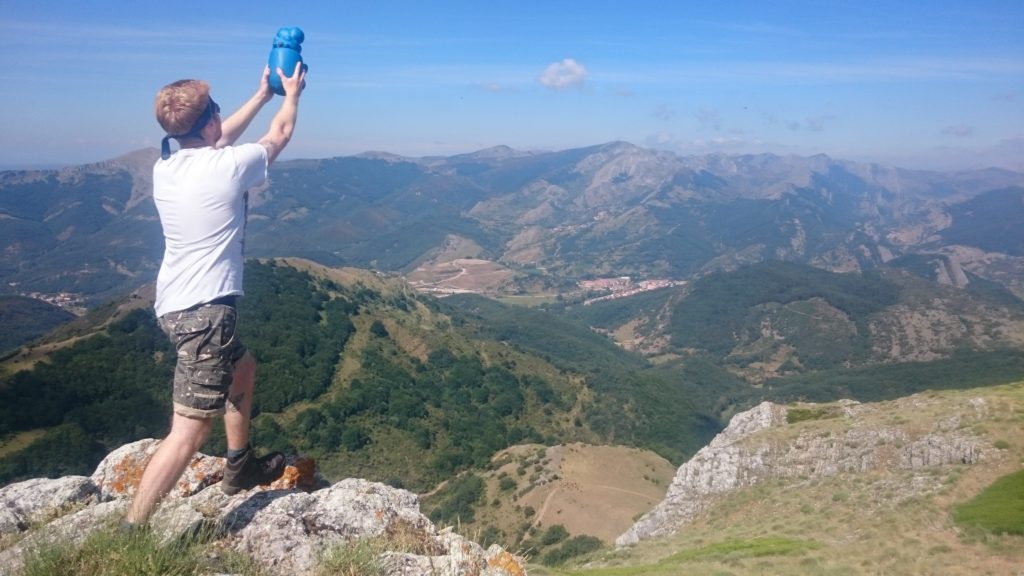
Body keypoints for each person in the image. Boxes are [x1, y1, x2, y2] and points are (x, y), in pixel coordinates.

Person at [124, 62, 306, 526]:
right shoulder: (229, 166)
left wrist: (261, 94)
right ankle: (131, 528)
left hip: (173, 306)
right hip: (206, 314)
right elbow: (280, 134)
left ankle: (240, 463)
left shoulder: (167, 166)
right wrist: (290, 94)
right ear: (209, 121)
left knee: (242, 368)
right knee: (189, 429)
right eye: (215, 114)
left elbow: (216, 137)